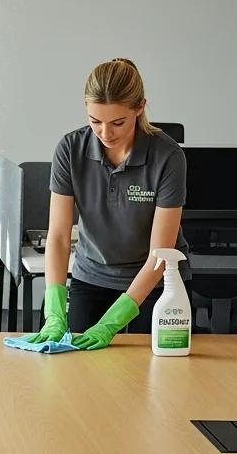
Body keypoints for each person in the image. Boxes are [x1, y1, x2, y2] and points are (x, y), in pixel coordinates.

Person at [28, 57, 189, 349]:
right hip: (92, 276)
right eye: (95, 122)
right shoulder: (70, 149)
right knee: (77, 368)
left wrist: (113, 320)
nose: (105, 133)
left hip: (156, 283)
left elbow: (161, 253)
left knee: (151, 374)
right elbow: (60, 237)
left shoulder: (168, 156)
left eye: (117, 122)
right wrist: (53, 307)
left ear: (139, 108)